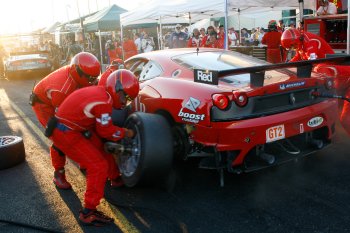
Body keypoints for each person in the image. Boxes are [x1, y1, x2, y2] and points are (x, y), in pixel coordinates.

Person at [50, 69, 139, 226]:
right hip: (66, 131)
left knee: (102, 147)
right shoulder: (104, 101)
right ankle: (88, 212)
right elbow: (106, 130)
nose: (125, 102)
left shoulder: (102, 93)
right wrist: (126, 132)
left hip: (73, 126)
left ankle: (115, 178)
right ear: (116, 88)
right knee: (98, 166)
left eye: (128, 99)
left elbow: (102, 130)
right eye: (124, 97)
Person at [31, 52, 101, 190]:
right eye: (90, 78)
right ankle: (59, 174)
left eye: (95, 77)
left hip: (57, 97)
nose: (93, 81)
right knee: (60, 136)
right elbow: (66, 120)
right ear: (78, 73)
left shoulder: (80, 75)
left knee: (83, 128)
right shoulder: (62, 89)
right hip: (44, 105)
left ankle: (83, 162)